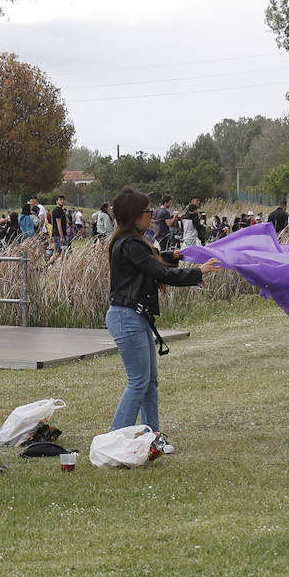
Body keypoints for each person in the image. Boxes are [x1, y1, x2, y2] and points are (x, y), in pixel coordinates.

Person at [105, 187, 220, 451]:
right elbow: (159, 273)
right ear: (135, 215)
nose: (152, 215)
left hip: (135, 317)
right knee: (138, 381)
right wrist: (197, 273)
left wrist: (174, 256)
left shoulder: (132, 242)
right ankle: (115, 440)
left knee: (149, 382)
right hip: (127, 318)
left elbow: (152, 262)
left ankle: (152, 437)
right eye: (147, 211)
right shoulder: (130, 243)